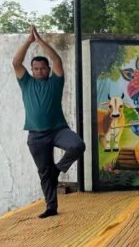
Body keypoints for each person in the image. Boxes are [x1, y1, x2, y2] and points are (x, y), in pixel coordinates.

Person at [12, 25, 85, 219]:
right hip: (36, 135)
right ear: (32, 70)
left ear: (48, 69)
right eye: (36, 68)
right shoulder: (26, 82)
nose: (39, 71)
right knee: (44, 172)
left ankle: (57, 170)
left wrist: (40, 41)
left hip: (58, 130)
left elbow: (57, 60)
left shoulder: (55, 82)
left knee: (77, 145)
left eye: (43, 68)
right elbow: (16, 62)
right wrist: (28, 41)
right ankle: (51, 207)